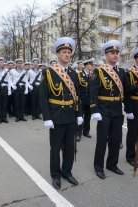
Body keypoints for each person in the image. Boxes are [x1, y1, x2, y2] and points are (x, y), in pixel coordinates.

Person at [40, 37, 83, 190]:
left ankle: (67, 172)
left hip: (71, 115)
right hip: (56, 116)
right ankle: (56, 175)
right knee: (56, 148)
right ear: (57, 54)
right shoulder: (49, 72)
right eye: (64, 52)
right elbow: (43, 97)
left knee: (70, 147)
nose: (67, 55)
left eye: (69, 52)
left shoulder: (73, 73)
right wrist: (47, 118)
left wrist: (79, 114)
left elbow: (78, 95)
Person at [90, 40, 126, 179]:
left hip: (117, 110)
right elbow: (92, 92)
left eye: (117, 53)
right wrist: (94, 110)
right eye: (112, 53)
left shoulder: (122, 72)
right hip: (104, 110)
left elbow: (126, 91)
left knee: (116, 140)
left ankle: (112, 164)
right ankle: (98, 166)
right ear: (106, 55)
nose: (115, 55)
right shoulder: (98, 71)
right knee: (102, 140)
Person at [76, 58, 94, 141]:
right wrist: (78, 99)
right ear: (86, 65)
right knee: (80, 117)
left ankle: (86, 132)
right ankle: (78, 133)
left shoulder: (92, 75)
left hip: (89, 100)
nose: (92, 66)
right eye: (91, 65)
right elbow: (77, 88)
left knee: (88, 116)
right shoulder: (79, 75)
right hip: (81, 99)